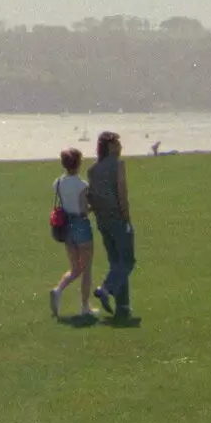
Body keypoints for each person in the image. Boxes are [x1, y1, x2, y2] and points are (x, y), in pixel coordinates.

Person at [87, 131, 137, 320]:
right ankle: (106, 289)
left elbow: (93, 196)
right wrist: (127, 219)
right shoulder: (118, 165)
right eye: (118, 144)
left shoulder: (92, 170)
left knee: (116, 263)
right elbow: (121, 194)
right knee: (128, 261)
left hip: (103, 221)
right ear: (110, 146)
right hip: (117, 219)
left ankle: (123, 307)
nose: (121, 147)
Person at [49, 148, 95, 319]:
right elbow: (84, 210)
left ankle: (58, 289)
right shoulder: (82, 185)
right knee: (86, 268)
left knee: (75, 268)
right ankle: (84, 306)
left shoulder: (59, 183)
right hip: (81, 225)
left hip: (66, 226)